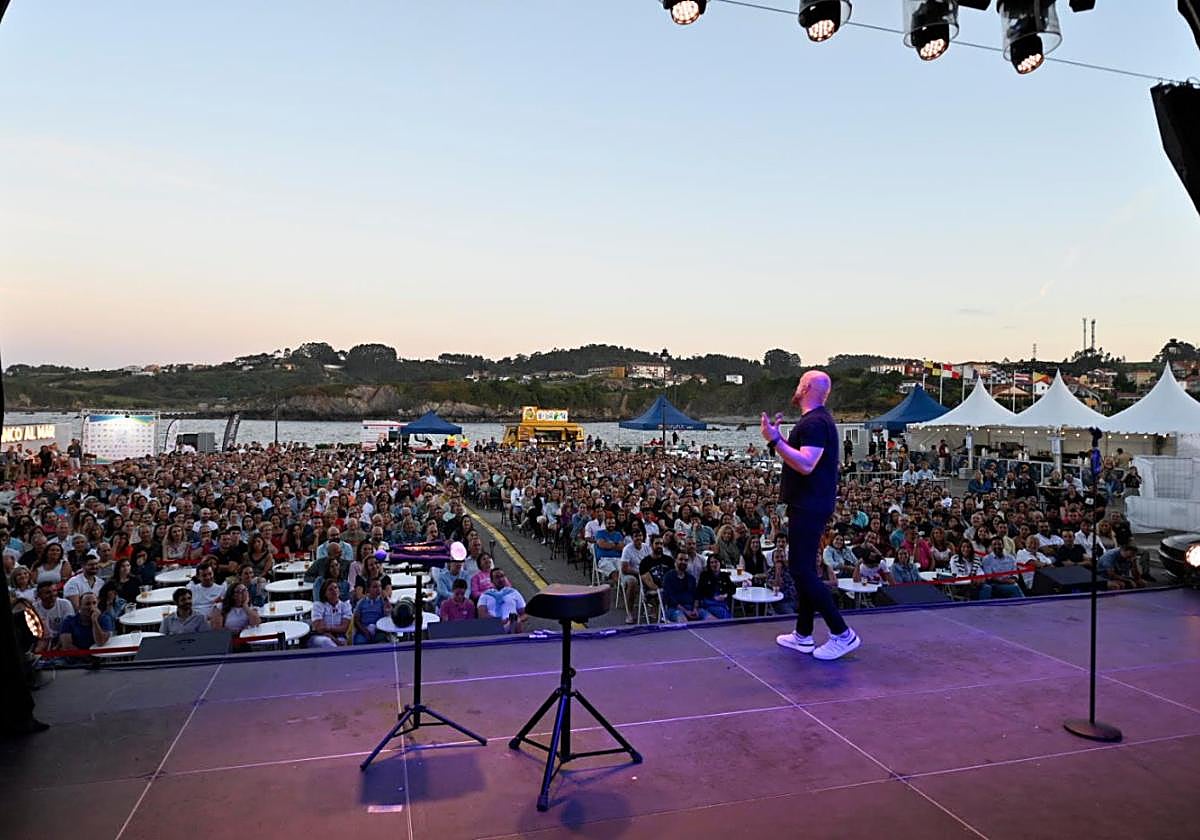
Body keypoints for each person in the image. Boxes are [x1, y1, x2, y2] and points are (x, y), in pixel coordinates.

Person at [762, 371, 859, 660]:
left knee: (801, 570)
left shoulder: (815, 422)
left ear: (806, 387)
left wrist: (775, 441)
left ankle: (842, 633)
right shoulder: (817, 420)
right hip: (810, 503)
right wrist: (780, 439)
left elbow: (806, 464)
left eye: (799, 383)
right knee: (804, 569)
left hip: (809, 504)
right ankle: (803, 634)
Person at [661, 553, 707, 623]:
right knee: (683, 621)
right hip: (674, 609)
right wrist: (685, 611)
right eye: (681, 559)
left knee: (711, 619)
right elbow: (669, 599)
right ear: (675, 561)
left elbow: (696, 596)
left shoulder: (691, 578)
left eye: (686, 560)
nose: (683, 562)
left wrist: (695, 609)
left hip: (691, 608)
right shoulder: (668, 577)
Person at [476, 567, 526, 632]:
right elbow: (482, 615)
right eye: (497, 577)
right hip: (493, 626)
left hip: (512, 626)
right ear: (491, 580)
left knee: (517, 624)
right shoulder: (485, 595)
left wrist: (518, 620)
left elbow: (525, 614)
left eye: (502, 576)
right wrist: (499, 621)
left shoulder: (514, 593)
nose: (501, 579)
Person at [618, 530, 651, 624]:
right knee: (632, 582)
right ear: (632, 538)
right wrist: (639, 573)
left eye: (640, 535)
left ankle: (654, 609)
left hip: (644, 573)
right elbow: (625, 569)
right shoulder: (627, 549)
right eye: (636, 536)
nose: (638, 538)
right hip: (630, 574)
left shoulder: (647, 547)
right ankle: (630, 613)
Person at [310, 579, 352, 647]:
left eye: (336, 588)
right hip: (319, 636)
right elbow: (320, 629)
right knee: (327, 642)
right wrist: (335, 640)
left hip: (340, 636)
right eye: (330, 589)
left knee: (343, 642)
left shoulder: (345, 605)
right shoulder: (318, 605)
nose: (334, 591)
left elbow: (344, 628)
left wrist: (327, 627)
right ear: (324, 593)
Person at [696, 554, 736, 619]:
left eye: (716, 562)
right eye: (712, 562)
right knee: (723, 613)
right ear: (709, 564)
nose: (714, 564)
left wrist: (725, 595)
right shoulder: (704, 575)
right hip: (708, 603)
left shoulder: (724, 575)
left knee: (723, 612)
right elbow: (699, 591)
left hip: (721, 603)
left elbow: (733, 588)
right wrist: (713, 597)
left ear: (720, 563)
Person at [353, 577, 390, 643]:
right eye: (375, 587)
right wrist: (365, 631)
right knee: (359, 642)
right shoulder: (361, 602)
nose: (378, 589)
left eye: (380, 586)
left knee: (382, 641)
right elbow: (356, 620)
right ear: (368, 589)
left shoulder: (383, 601)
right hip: (364, 630)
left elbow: (387, 618)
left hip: (379, 630)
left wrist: (386, 606)